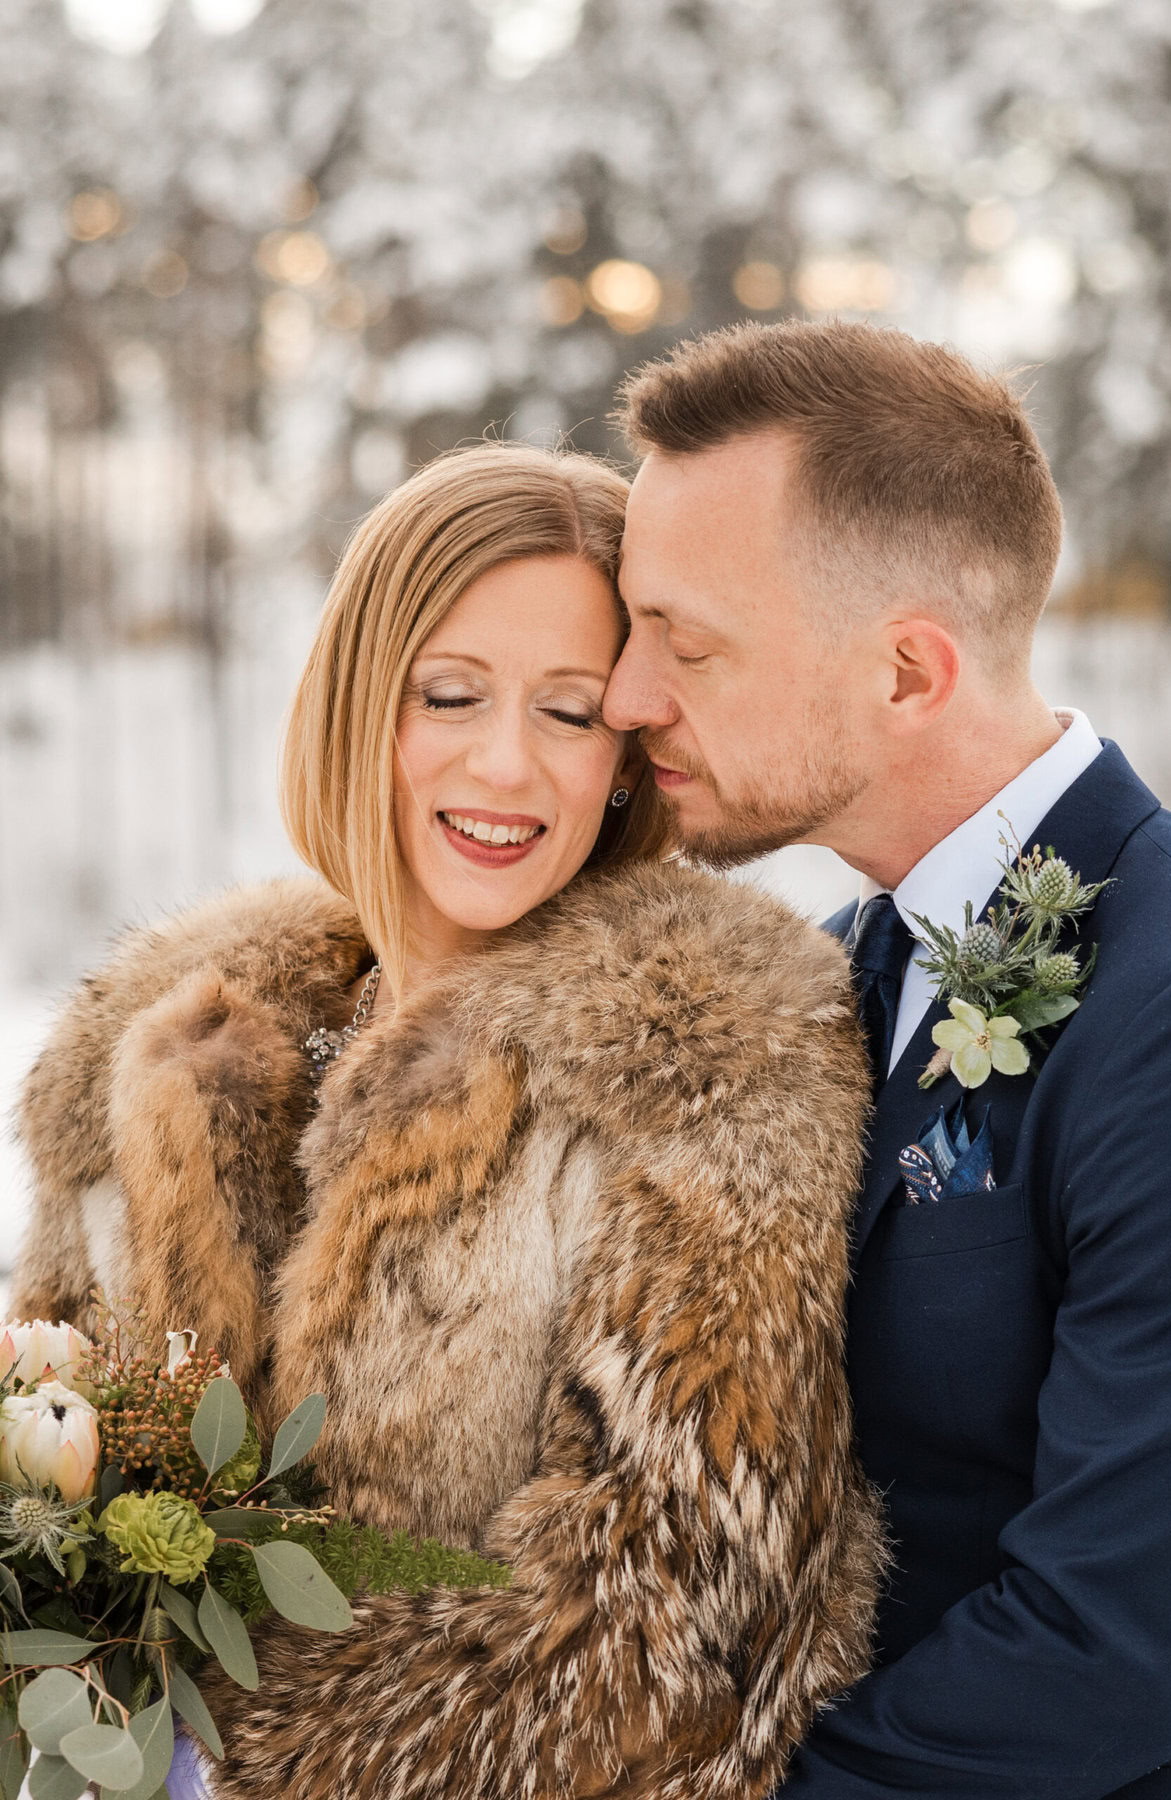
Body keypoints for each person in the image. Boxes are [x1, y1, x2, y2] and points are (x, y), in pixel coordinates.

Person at [11, 441, 884, 1799]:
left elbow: (678, 1637)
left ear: (625, 755)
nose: (505, 765)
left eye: (571, 711)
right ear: (362, 706)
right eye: (451, 693)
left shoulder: (702, 1066)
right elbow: (46, 1489)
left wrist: (235, 1770)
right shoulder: (140, 1058)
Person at [606, 317, 1171, 1799]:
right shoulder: (856, 963)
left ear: (909, 674)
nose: (625, 697)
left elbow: (1114, 1651)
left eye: (685, 640)